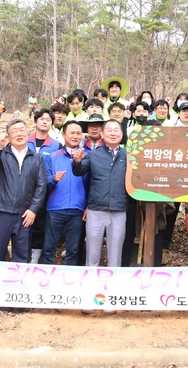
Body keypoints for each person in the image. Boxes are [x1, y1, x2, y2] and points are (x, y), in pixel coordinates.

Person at [0, 119, 47, 263]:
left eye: (22, 130)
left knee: (22, 255)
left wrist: (33, 209)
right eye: (14, 131)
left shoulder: (36, 158)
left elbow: (41, 185)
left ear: (28, 133)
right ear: (8, 136)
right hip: (2, 210)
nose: (19, 134)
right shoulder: (2, 154)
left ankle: (19, 284)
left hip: (24, 214)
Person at [72, 119, 129, 272]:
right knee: (92, 253)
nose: (113, 133)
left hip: (119, 209)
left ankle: (113, 287)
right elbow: (79, 171)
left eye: (116, 130)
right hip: (96, 210)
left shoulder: (128, 155)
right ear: (102, 134)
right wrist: (77, 161)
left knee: (115, 255)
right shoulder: (93, 155)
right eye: (109, 130)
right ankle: (91, 285)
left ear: (122, 134)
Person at [40, 121, 88, 266]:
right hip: (56, 208)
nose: (75, 136)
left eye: (78, 133)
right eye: (72, 133)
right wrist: (53, 179)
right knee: (49, 248)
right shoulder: (53, 156)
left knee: (73, 250)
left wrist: (88, 206)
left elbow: (92, 184)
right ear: (64, 135)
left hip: (77, 210)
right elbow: (44, 181)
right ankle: (45, 279)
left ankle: (69, 281)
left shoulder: (88, 157)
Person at [27, 109, 61, 263]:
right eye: (41, 119)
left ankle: (35, 259)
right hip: (23, 190)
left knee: (40, 224)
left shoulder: (56, 145)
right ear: (35, 121)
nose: (45, 121)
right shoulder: (24, 141)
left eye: (48, 119)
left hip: (45, 190)